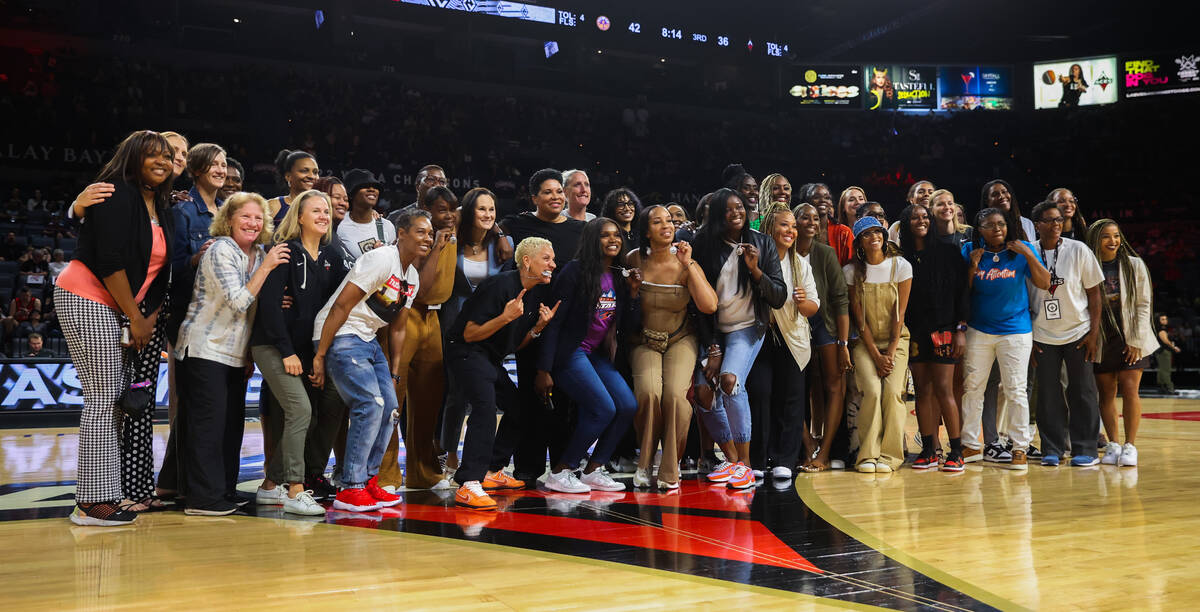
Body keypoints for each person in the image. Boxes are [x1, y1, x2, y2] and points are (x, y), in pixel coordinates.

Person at [55, 130, 176, 525]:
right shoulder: (112, 192)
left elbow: (161, 274)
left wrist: (147, 316)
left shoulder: (160, 203)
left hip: (124, 309)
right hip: (86, 295)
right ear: (133, 157)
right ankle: (91, 502)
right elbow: (109, 261)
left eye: (166, 156)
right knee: (104, 397)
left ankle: (106, 494)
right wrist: (135, 318)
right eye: (152, 155)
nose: (161, 161)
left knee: (117, 403)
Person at [175, 192, 289, 515]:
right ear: (228, 221)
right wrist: (266, 269)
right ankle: (201, 499)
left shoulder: (258, 253)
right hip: (204, 348)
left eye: (258, 218)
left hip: (235, 353)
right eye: (245, 217)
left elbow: (254, 308)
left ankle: (222, 491)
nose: (253, 223)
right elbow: (239, 301)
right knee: (208, 427)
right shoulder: (221, 250)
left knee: (231, 427)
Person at [311, 208, 431, 512]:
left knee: (390, 408)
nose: (427, 237)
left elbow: (400, 326)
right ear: (400, 234)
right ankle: (350, 487)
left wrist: (394, 371)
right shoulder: (381, 259)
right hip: (341, 333)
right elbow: (340, 306)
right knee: (370, 404)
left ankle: (368, 480)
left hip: (367, 339)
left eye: (430, 233)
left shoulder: (412, 276)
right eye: (420, 231)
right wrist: (321, 353)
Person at [250, 189, 348, 514]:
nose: (323, 215)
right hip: (273, 345)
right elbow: (269, 307)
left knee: (333, 398)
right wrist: (287, 351)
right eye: (316, 210)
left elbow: (340, 303)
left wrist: (319, 356)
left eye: (326, 210)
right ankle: (294, 489)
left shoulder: (333, 257)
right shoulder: (285, 252)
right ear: (300, 216)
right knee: (300, 409)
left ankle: (269, 486)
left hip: (308, 349)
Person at [444, 237, 558, 509]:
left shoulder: (532, 294)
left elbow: (513, 344)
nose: (552, 264)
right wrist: (505, 318)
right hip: (464, 350)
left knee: (518, 407)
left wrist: (538, 328)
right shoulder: (499, 285)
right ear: (527, 261)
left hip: (489, 356)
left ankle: (491, 469)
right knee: (484, 407)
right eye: (546, 258)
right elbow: (469, 334)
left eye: (552, 259)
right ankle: (468, 483)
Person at [692, 188, 787, 489]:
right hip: (716, 330)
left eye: (740, 208)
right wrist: (713, 347)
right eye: (729, 209)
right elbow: (701, 305)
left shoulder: (762, 243)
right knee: (703, 392)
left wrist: (755, 270)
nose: (736, 213)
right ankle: (732, 460)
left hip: (749, 327)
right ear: (718, 214)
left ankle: (746, 466)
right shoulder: (704, 245)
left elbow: (780, 296)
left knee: (730, 382)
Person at [536, 218, 637, 493]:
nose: (613, 240)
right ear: (593, 239)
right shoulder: (574, 271)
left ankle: (593, 470)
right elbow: (554, 323)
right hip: (570, 352)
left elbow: (624, 321)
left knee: (627, 406)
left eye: (616, 235)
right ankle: (560, 471)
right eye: (605, 235)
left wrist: (634, 294)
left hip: (595, 354)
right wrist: (544, 369)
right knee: (603, 408)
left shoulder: (618, 274)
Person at [497, 169, 585, 483]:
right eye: (547, 192)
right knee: (531, 396)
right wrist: (502, 238)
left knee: (565, 397)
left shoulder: (579, 229)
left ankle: (563, 468)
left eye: (559, 192)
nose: (556, 197)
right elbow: (496, 226)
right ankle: (528, 467)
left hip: (567, 323)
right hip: (530, 321)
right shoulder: (519, 223)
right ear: (534, 197)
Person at [626, 205, 717, 489]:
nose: (666, 225)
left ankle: (670, 467)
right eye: (657, 221)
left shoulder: (685, 260)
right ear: (646, 231)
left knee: (676, 398)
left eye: (668, 220)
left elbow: (710, 304)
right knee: (648, 393)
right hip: (644, 340)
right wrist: (631, 289)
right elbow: (623, 307)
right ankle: (646, 462)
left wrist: (689, 264)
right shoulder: (634, 258)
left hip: (681, 338)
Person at [376, 185, 458, 490]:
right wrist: (437, 245)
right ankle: (384, 474)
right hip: (404, 315)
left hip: (433, 318)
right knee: (392, 401)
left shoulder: (450, 236)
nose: (449, 216)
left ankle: (424, 471)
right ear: (425, 210)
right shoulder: (418, 241)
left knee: (428, 401)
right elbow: (421, 289)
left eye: (452, 209)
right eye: (441, 210)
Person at [960, 208, 1050, 470]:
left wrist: (1028, 255)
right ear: (979, 229)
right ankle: (971, 445)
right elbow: (961, 292)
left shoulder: (1021, 248)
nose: (997, 228)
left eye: (1001, 224)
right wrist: (973, 267)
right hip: (979, 329)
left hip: (1015, 331)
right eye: (990, 225)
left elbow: (1045, 282)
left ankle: (1020, 447)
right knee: (973, 388)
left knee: (1015, 390)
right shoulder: (969, 252)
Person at [440, 187, 514, 480]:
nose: (487, 214)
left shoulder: (502, 245)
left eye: (492, 210)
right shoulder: (453, 242)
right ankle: (450, 455)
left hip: (491, 328)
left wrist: (499, 231)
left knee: (488, 396)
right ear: (469, 211)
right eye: (481, 209)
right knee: (456, 394)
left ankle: (490, 462)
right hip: (454, 324)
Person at [1027, 201, 1104, 467]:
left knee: (1082, 392)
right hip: (1042, 334)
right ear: (1037, 225)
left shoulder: (1079, 250)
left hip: (1079, 332)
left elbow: (1095, 294)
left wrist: (1094, 333)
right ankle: (1052, 448)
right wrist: (1029, 337)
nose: (1056, 224)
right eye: (1049, 220)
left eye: (1059, 220)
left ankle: (1086, 448)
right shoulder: (1029, 253)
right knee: (1048, 394)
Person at [746, 204, 819, 480]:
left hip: (793, 337)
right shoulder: (757, 260)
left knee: (791, 398)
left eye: (793, 226)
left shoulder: (800, 264)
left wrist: (804, 304)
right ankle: (757, 458)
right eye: (784, 225)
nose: (790, 231)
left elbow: (814, 306)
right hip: (762, 335)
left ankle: (784, 460)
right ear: (769, 229)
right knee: (761, 393)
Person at [897, 204, 968, 471]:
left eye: (925, 216)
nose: (921, 220)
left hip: (944, 329)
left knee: (944, 390)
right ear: (906, 222)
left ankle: (956, 451)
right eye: (915, 217)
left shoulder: (949, 252)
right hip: (915, 332)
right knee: (922, 391)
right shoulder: (901, 257)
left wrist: (961, 328)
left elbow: (962, 293)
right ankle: (928, 450)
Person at [1088, 220, 1157, 467]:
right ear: (1096, 239)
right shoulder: (1089, 264)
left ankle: (1131, 445)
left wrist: (1136, 339)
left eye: (1116, 236)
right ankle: (1114, 444)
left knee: (1130, 389)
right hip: (1102, 337)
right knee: (1106, 393)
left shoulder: (1134, 265)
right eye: (1106, 237)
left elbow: (1143, 304)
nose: (1113, 241)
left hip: (1131, 335)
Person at [845, 217, 912, 473]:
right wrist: (876, 355)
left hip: (897, 339)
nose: (874, 237)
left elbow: (900, 315)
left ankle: (891, 456)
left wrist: (891, 353)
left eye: (878, 232)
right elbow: (859, 322)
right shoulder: (851, 272)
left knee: (894, 391)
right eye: (867, 234)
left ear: (884, 235)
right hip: (866, 342)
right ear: (859, 242)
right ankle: (867, 455)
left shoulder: (900, 266)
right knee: (871, 391)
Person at [791, 203, 851, 472]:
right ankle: (808, 445)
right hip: (793, 326)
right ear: (794, 223)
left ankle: (824, 453)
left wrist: (843, 343)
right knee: (793, 388)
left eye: (816, 218)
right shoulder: (783, 252)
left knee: (834, 385)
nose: (813, 222)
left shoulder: (825, 253)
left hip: (824, 323)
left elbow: (840, 300)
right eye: (805, 218)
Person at [337, 169, 394, 261]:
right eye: (364, 186)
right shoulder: (339, 223)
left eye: (375, 187)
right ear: (351, 194)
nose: (372, 189)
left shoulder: (387, 226)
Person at [799, 183, 852, 265]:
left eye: (827, 198)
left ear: (831, 203)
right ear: (806, 202)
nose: (823, 200)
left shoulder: (843, 232)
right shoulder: (797, 231)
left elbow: (850, 266)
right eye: (816, 197)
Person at [270, 149, 319, 225]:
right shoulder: (273, 206)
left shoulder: (323, 208)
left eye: (315, 172)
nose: (312, 176)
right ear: (288, 176)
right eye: (304, 171)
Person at [601, 188, 641, 254]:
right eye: (621, 204)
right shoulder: (610, 238)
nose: (627, 208)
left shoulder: (642, 234)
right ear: (611, 209)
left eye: (630, 203)